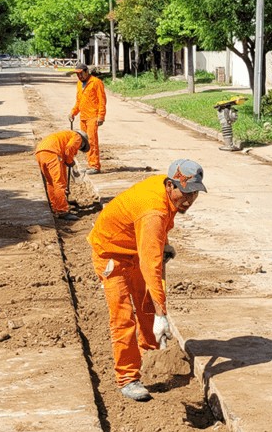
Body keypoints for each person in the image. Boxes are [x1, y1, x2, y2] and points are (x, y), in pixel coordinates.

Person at [87, 159, 207, 402]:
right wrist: (163, 315)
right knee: (123, 318)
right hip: (111, 255)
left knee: (146, 307)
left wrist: (163, 244)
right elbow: (151, 265)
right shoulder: (154, 211)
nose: (188, 200)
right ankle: (127, 378)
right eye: (184, 193)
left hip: (134, 249)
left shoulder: (162, 192)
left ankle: (152, 357)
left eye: (194, 193)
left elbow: (150, 235)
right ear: (170, 185)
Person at [35, 129, 89, 220]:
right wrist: (70, 161)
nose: (79, 149)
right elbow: (70, 148)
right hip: (52, 152)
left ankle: (55, 206)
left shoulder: (65, 136)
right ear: (83, 142)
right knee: (59, 183)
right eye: (80, 147)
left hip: (40, 152)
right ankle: (62, 211)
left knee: (50, 182)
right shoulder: (77, 137)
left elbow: (65, 151)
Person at [68, 63, 106, 174]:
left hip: (93, 117)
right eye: (77, 74)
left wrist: (101, 116)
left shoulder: (96, 82)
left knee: (92, 141)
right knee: (85, 142)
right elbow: (79, 101)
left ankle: (95, 166)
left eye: (80, 74)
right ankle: (90, 164)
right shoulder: (79, 84)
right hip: (83, 117)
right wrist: (73, 112)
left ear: (86, 71)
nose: (79, 76)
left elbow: (102, 101)